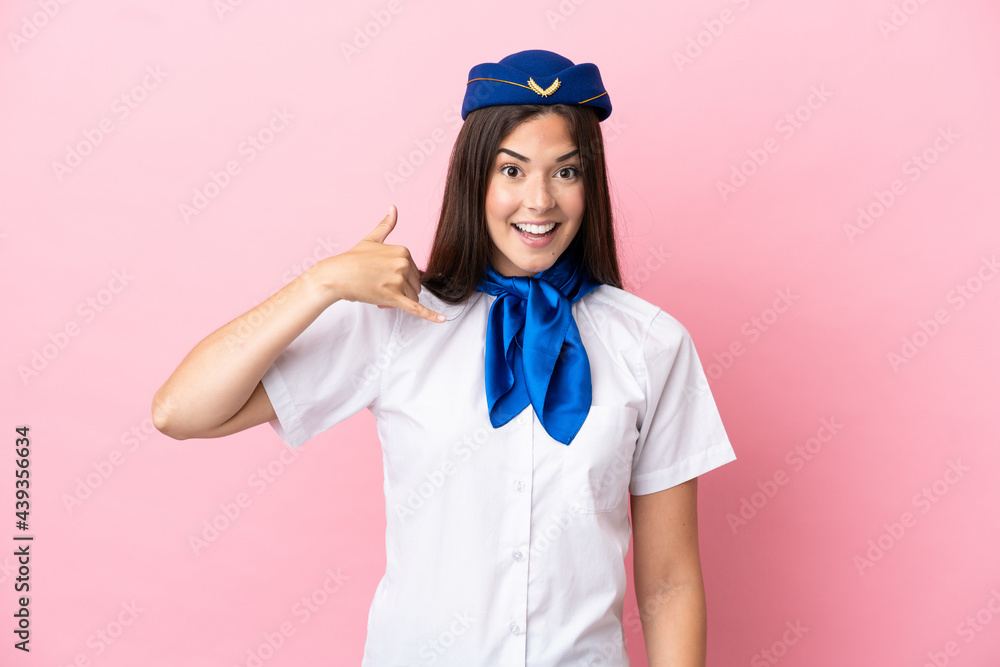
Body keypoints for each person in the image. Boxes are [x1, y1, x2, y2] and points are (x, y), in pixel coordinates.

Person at [153, 49, 736, 666]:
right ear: (473, 178)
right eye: (511, 171)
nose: (539, 201)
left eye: (565, 172)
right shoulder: (394, 319)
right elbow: (180, 412)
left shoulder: (652, 343)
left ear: (590, 183)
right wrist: (319, 285)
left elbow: (670, 582)